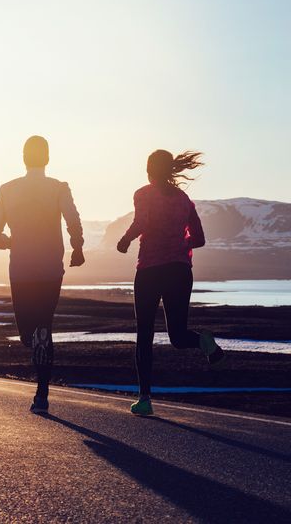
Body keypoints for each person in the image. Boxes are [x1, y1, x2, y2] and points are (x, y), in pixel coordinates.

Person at [116, 149, 225, 417]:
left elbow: (141, 221)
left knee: (145, 335)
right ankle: (204, 343)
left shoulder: (143, 193)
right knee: (178, 335)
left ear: (150, 170)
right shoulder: (184, 199)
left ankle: (144, 399)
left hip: (150, 270)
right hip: (179, 271)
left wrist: (126, 240)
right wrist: (179, 244)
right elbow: (199, 239)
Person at [0, 135, 84, 415]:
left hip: (21, 269)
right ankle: (41, 395)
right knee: (45, 327)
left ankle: (34, 341)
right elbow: (72, 219)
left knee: (27, 335)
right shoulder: (58, 188)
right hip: (52, 269)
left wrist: (8, 242)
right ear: (48, 158)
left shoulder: (8, 190)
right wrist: (77, 248)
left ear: (23, 158)